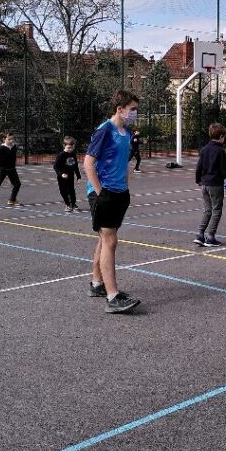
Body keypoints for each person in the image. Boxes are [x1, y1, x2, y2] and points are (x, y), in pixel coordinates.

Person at [84, 89, 142, 313]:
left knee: (104, 239)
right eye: (132, 109)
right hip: (105, 192)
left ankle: (97, 284)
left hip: (120, 192)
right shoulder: (104, 130)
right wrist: (100, 192)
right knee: (110, 241)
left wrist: (125, 187)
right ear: (120, 109)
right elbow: (88, 163)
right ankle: (112, 296)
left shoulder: (125, 134)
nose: (135, 113)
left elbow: (123, 163)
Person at [194, 122, 226, 248]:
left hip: (205, 184)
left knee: (207, 210)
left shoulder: (204, 149)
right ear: (221, 136)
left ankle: (200, 234)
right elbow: (225, 171)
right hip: (215, 184)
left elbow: (199, 167)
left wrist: (198, 180)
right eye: (224, 137)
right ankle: (210, 237)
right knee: (216, 210)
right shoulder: (220, 151)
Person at [53, 136, 82, 212]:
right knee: (63, 191)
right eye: (69, 148)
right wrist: (61, 174)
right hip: (62, 177)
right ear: (64, 145)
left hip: (70, 176)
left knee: (71, 191)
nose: (70, 149)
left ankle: (73, 204)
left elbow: (75, 166)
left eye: (72, 148)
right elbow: (55, 166)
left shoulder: (73, 154)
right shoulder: (61, 155)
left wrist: (78, 176)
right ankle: (68, 204)